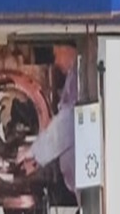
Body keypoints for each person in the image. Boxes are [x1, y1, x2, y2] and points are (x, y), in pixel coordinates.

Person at [17, 43, 79, 202]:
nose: (56, 62)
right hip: (82, 186)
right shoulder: (75, 77)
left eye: (57, 54)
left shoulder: (79, 78)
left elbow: (67, 125)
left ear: (68, 49)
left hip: (88, 182)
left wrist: (34, 152)